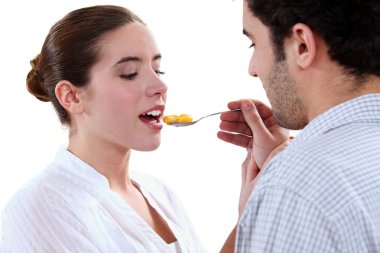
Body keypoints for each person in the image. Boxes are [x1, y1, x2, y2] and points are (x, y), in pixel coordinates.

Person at [0, 5, 205, 253]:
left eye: (157, 69)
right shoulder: (41, 207)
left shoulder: (159, 192)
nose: (160, 85)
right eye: (130, 73)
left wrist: (252, 196)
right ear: (72, 96)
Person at [218, 0, 380, 252]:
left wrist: (268, 194)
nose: (252, 69)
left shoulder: (296, 184)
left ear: (302, 45)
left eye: (254, 43)